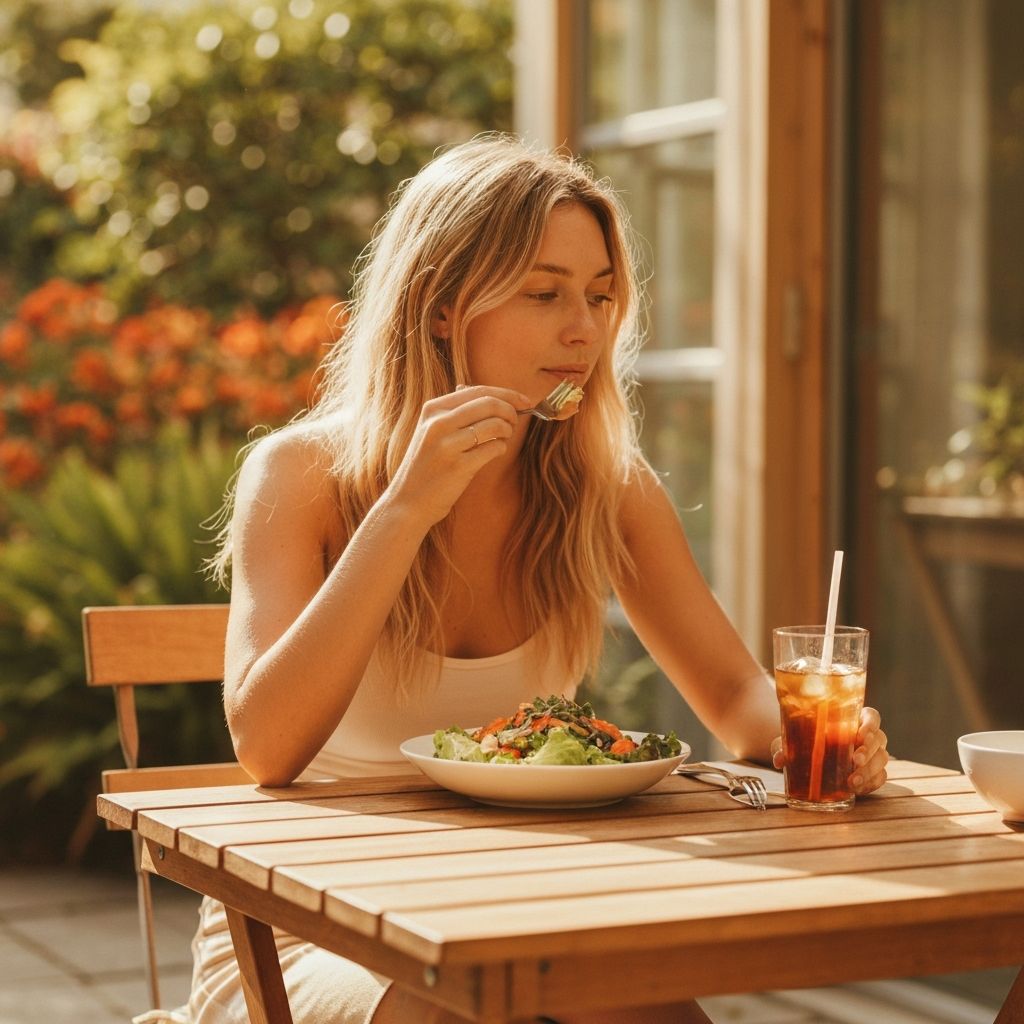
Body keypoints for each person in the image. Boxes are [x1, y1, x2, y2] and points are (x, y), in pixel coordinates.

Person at [168, 135, 889, 1024]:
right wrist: (403, 512)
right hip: (310, 927)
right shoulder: (302, 476)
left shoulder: (605, 486)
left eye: (598, 295)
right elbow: (266, 748)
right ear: (440, 307)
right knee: (456, 1008)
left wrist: (820, 737)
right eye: (544, 294)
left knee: (655, 1012)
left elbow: (736, 695)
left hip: (519, 911)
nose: (584, 329)